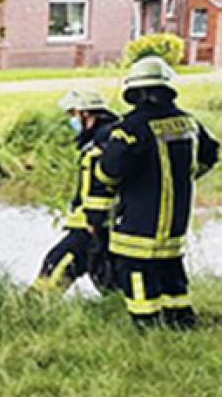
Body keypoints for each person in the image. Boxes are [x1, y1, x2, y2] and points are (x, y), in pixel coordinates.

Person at [97, 56, 219, 330]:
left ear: (135, 92)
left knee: (136, 272)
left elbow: (109, 172)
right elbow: (210, 155)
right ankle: (180, 322)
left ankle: (146, 325)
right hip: (175, 223)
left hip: (139, 223)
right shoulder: (190, 124)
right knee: (171, 272)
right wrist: (186, 175)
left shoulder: (129, 129)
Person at [33, 90, 119, 292]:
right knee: (106, 276)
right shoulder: (107, 137)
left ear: (86, 114)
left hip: (93, 225)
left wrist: (94, 220)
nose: (72, 120)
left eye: (73, 114)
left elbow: (100, 187)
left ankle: (34, 308)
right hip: (105, 224)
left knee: (57, 263)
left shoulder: (102, 143)